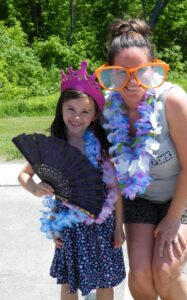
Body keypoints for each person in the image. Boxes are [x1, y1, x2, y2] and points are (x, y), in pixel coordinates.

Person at [95, 19, 187, 300]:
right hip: (142, 195)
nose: (131, 82)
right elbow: (78, 139)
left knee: (166, 270)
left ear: (153, 68)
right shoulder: (105, 108)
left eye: (140, 72)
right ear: (111, 73)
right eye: (121, 73)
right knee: (139, 274)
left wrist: (174, 218)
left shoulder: (172, 100)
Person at [17, 61, 126, 300]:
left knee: (105, 280)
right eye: (71, 109)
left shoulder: (101, 147)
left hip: (102, 225)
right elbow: (23, 175)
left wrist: (119, 226)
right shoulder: (53, 146)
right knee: (69, 282)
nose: (77, 116)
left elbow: (113, 188)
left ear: (95, 115)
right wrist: (36, 188)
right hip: (69, 227)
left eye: (85, 111)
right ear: (61, 109)